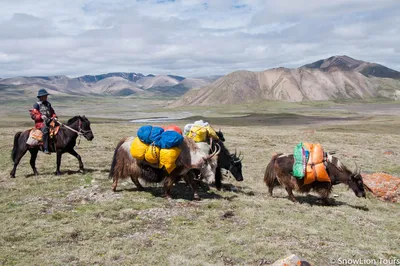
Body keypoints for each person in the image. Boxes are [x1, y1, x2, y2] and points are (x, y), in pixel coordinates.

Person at [30, 88, 57, 154]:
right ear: (41, 97)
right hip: (41, 123)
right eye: (45, 96)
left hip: (50, 121)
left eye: (46, 96)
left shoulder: (48, 104)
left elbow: (52, 112)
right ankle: (45, 148)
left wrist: (54, 117)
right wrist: (40, 116)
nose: (46, 97)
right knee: (45, 130)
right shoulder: (36, 105)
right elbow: (33, 115)